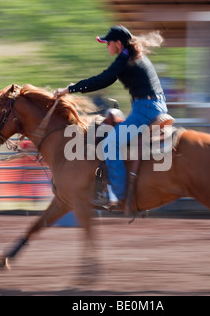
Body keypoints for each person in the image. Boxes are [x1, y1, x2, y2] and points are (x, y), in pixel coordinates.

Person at [53, 25, 168, 207]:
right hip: (155, 105)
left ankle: (118, 196)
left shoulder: (124, 58)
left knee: (110, 144)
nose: (106, 46)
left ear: (118, 44)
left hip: (145, 109)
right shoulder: (134, 56)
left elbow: (103, 79)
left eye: (108, 43)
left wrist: (69, 89)